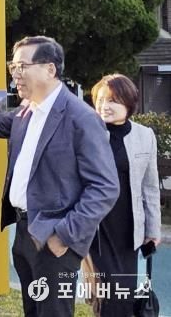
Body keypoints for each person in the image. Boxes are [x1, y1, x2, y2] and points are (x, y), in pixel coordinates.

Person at [0, 36, 119, 317]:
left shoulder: (81, 118)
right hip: (23, 233)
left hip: (54, 240)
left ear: (50, 69)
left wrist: (63, 236)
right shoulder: (27, 112)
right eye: (13, 67)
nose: (15, 74)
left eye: (22, 67)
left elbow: (105, 188)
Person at [87, 74, 161, 316]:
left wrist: (153, 230)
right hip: (97, 228)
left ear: (129, 103)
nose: (104, 106)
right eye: (100, 100)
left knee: (124, 292)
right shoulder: (86, 134)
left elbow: (150, 187)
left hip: (129, 228)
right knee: (106, 292)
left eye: (112, 100)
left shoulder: (145, 136)